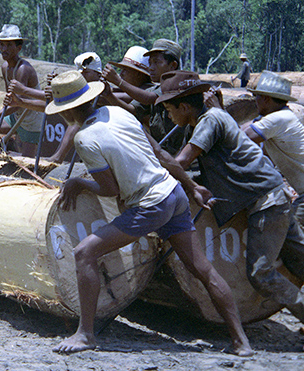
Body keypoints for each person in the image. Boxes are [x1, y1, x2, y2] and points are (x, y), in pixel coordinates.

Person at [47, 71, 252, 356]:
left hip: (151, 205)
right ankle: (241, 341)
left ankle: (85, 334)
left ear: (67, 111)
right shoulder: (118, 113)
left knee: (84, 253)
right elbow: (160, 154)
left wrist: (78, 183)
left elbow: (110, 188)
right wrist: (190, 186)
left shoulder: (84, 138)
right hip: (174, 194)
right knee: (203, 270)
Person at [157, 70, 304, 353]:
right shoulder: (203, 122)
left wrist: (151, 157)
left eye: (169, 109)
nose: (168, 115)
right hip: (270, 196)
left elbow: (181, 161)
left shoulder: (210, 120)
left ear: (184, 106)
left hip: (265, 201)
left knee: (261, 273)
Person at [242, 70, 304, 239]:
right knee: (297, 241)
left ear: (266, 99)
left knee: (285, 237)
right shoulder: (282, 119)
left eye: (257, 97)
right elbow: (265, 158)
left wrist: (218, 111)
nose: (255, 102)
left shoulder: (277, 119)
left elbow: (241, 138)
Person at [102, 39, 184, 155]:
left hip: (179, 152)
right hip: (165, 150)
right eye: (150, 63)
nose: (151, 68)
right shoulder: (155, 89)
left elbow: (149, 98)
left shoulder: (177, 83)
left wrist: (118, 81)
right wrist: (109, 96)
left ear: (173, 65)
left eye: (156, 62)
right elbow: (132, 110)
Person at [0, 24, 45, 157]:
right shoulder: (5, 67)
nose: (4, 49)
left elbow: (16, 104)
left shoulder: (23, 69)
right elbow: (11, 101)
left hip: (31, 119)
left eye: (9, 45)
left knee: (27, 162)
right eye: (1, 45)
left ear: (18, 48)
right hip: (15, 116)